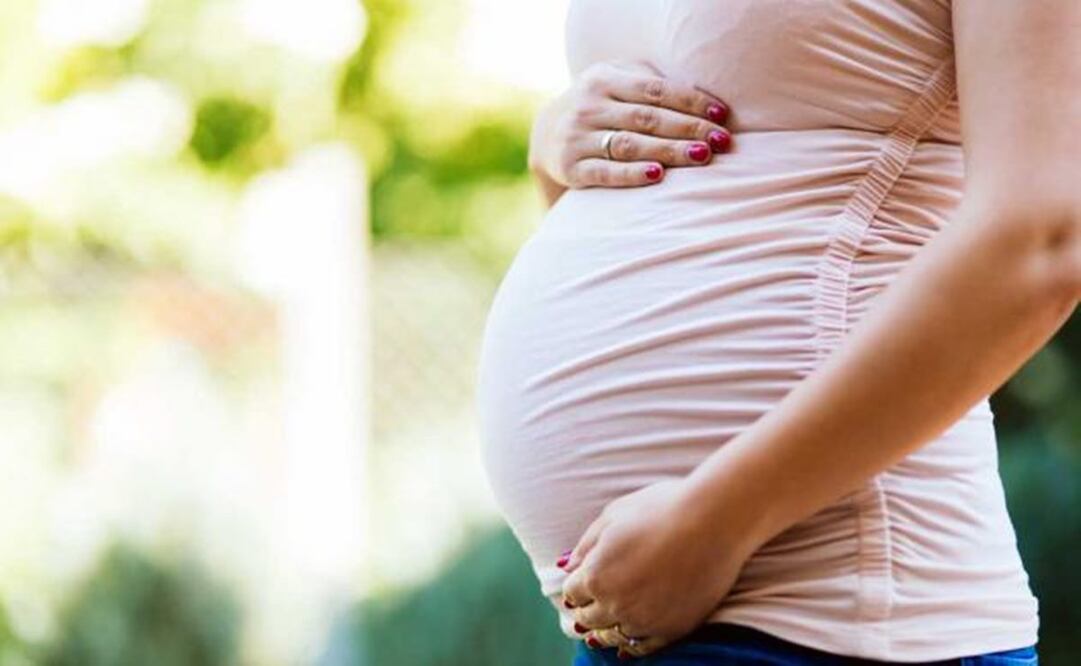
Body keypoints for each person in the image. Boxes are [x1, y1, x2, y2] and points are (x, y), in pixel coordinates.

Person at [474, 0, 1079, 663]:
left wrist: (717, 520)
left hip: (836, 615)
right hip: (646, 601)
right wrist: (557, 149)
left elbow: (1042, 241)